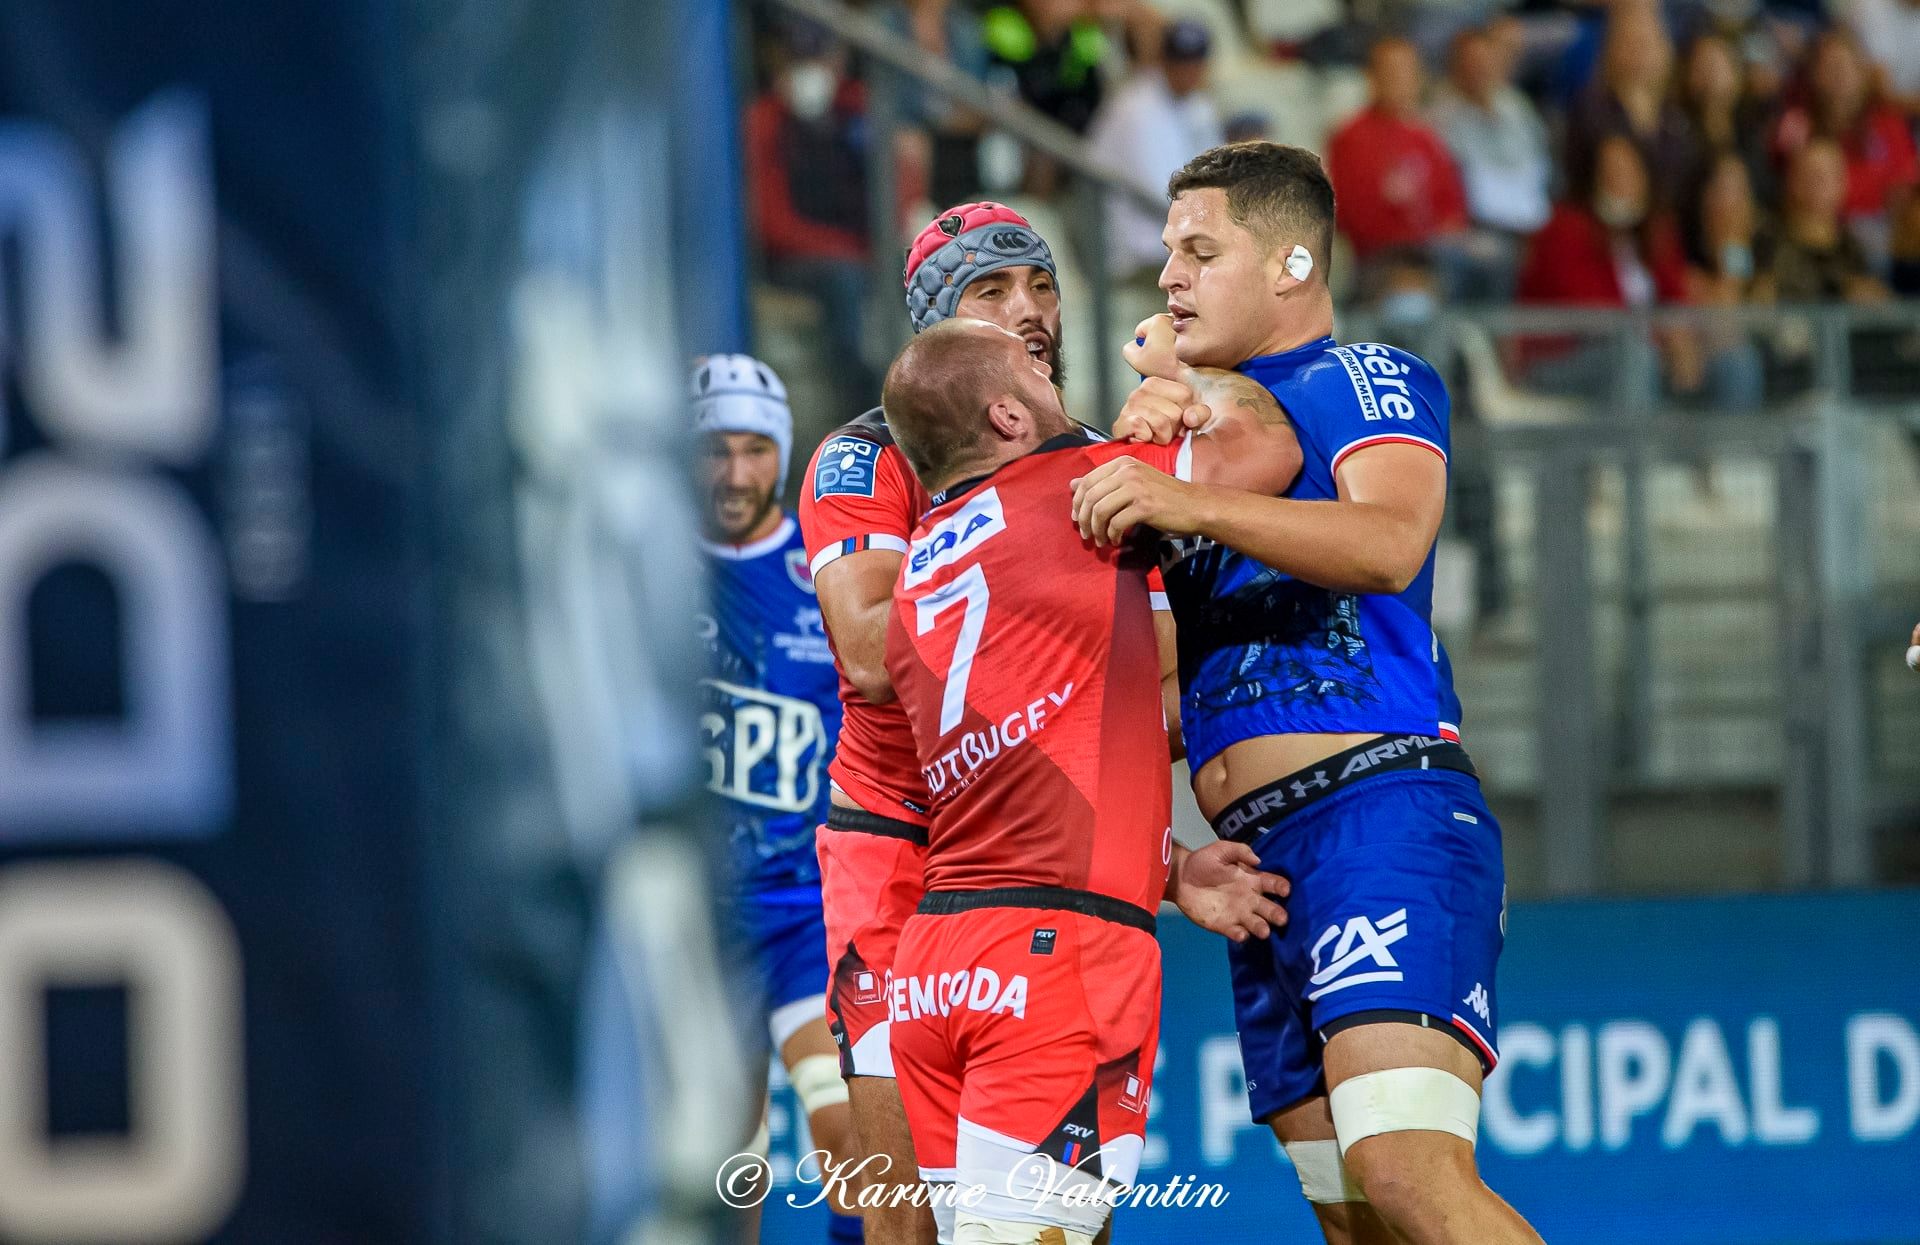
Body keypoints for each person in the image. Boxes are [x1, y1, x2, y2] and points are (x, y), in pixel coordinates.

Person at [1068, 140, 1544, 1245]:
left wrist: (1184, 502)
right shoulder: (1194, 436)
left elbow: (1388, 542)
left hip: (1377, 809)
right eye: (1165, 255)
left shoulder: (1360, 377)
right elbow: (1186, 669)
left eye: (1199, 251)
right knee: (1352, 1216)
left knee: (1409, 1171)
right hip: (1256, 866)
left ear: (1290, 264)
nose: (1168, 277)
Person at [880, 318, 1300, 1245]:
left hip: (939, 962)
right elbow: (1268, 447)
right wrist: (1184, 376)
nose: (1049, 363)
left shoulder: (915, 570)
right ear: (1005, 412)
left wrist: (1172, 860)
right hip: (1054, 955)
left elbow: (1048, 749)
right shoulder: (1080, 491)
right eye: (1032, 366)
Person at [796, 202, 1080, 1245]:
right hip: (897, 854)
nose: (1030, 311)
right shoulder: (862, 460)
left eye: (1041, 285)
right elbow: (871, 659)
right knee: (907, 1223)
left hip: (1032, 862)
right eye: (992, 292)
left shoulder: (1095, 459)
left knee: (1049, 1225)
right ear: (934, 331)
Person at [692, 354, 864, 1245]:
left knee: (851, 1135)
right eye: (713, 449)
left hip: (807, 910)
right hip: (697, 918)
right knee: (730, 1159)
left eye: (754, 449)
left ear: (783, 454)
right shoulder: (648, 563)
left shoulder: (822, 564)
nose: (733, 472)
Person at [1325, 36, 1472, 302]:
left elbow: (1452, 207)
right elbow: (1351, 215)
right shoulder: (1350, 137)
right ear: (1372, 77)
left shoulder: (1427, 138)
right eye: (1391, 71)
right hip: (1380, 260)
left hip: (1432, 255)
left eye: (1407, 72)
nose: (1399, 80)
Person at [1086, 18, 1226, 279]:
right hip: (1138, 255)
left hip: (1177, 245)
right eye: (1180, 62)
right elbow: (1163, 193)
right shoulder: (1135, 108)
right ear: (1163, 61)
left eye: (1195, 62)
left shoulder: (1198, 105)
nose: (1188, 71)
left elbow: (1219, 175)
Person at [1428, 23, 1553, 300]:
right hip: (1474, 229)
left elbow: (1542, 167)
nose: (1479, 69)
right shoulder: (1439, 118)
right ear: (1455, 67)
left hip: (1531, 225)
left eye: (1485, 61)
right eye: (1470, 62)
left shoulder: (1517, 108)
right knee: (1491, 256)